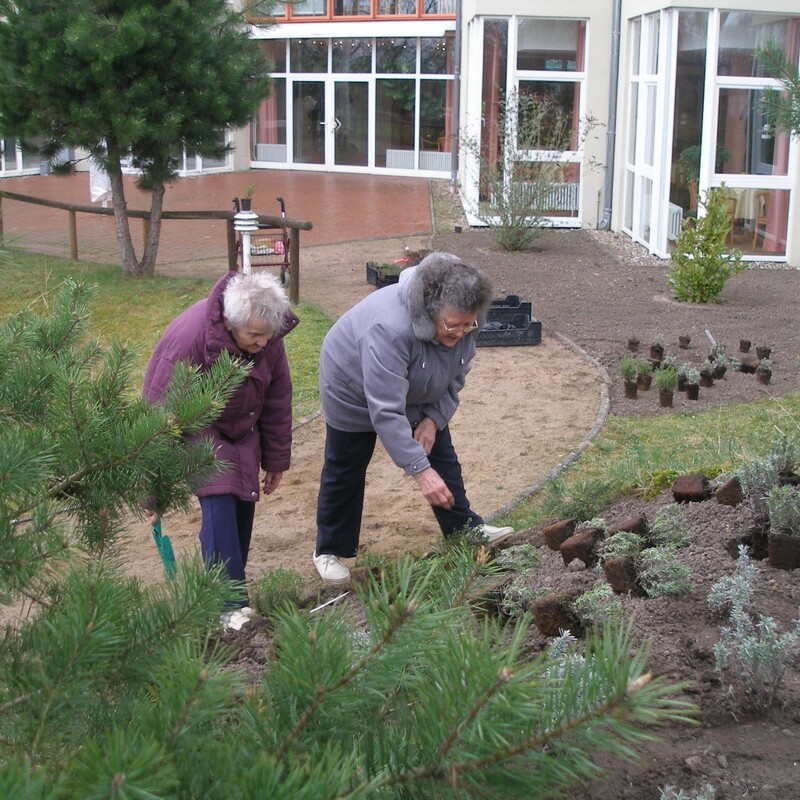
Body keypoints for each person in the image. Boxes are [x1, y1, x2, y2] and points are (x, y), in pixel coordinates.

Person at [313, 251, 514, 585]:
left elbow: (456, 375)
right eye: (453, 326)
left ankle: (465, 530)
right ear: (429, 312)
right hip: (352, 387)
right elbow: (386, 411)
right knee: (346, 465)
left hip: (418, 380)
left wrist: (433, 419)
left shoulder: (464, 321)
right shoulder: (388, 329)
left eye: (469, 325)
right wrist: (421, 473)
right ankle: (328, 550)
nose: (462, 333)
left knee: (442, 454)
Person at [143, 271, 297, 629]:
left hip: (243, 422)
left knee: (243, 500)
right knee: (219, 495)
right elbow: (158, 406)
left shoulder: (268, 335)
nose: (263, 343)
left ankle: (227, 591)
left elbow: (278, 396)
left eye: (267, 336)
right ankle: (228, 603)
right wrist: (151, 490)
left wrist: (275, 459)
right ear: (230, 323)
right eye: (254, 336)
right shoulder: (190, 337)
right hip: (195, 421)